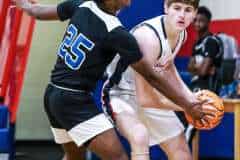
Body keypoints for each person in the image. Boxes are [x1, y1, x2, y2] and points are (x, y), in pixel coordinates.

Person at [13, 0, 217, 160]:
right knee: (119, 157)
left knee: (74, 157)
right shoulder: (117, 33)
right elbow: (152, 77)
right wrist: (187, 104)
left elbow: (37, 11)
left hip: (52, 94)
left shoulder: (81, 5)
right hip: (75, 100)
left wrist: (22, 4)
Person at [103, 0, 199, 159]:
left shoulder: (181, 33)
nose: (182, 15)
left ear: (195, 13)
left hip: (150, 92)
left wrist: (190, 97)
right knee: (139, 136)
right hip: (121, 95)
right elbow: (146, 99)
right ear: (166, 7)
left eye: (188, 10)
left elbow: (167, 67)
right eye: (177, 8)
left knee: (180, 149)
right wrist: (187, 105)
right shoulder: (148, 37)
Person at [188, 6, 223, 93]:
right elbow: (189, 68)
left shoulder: (211, 42)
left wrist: (197, 67)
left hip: (209, 90)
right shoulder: (197, 43)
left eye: (201, 21)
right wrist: (201, 68)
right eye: (195, 20)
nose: (197, 23)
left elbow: (203, 72)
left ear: (208, 22)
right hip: (196, 86)